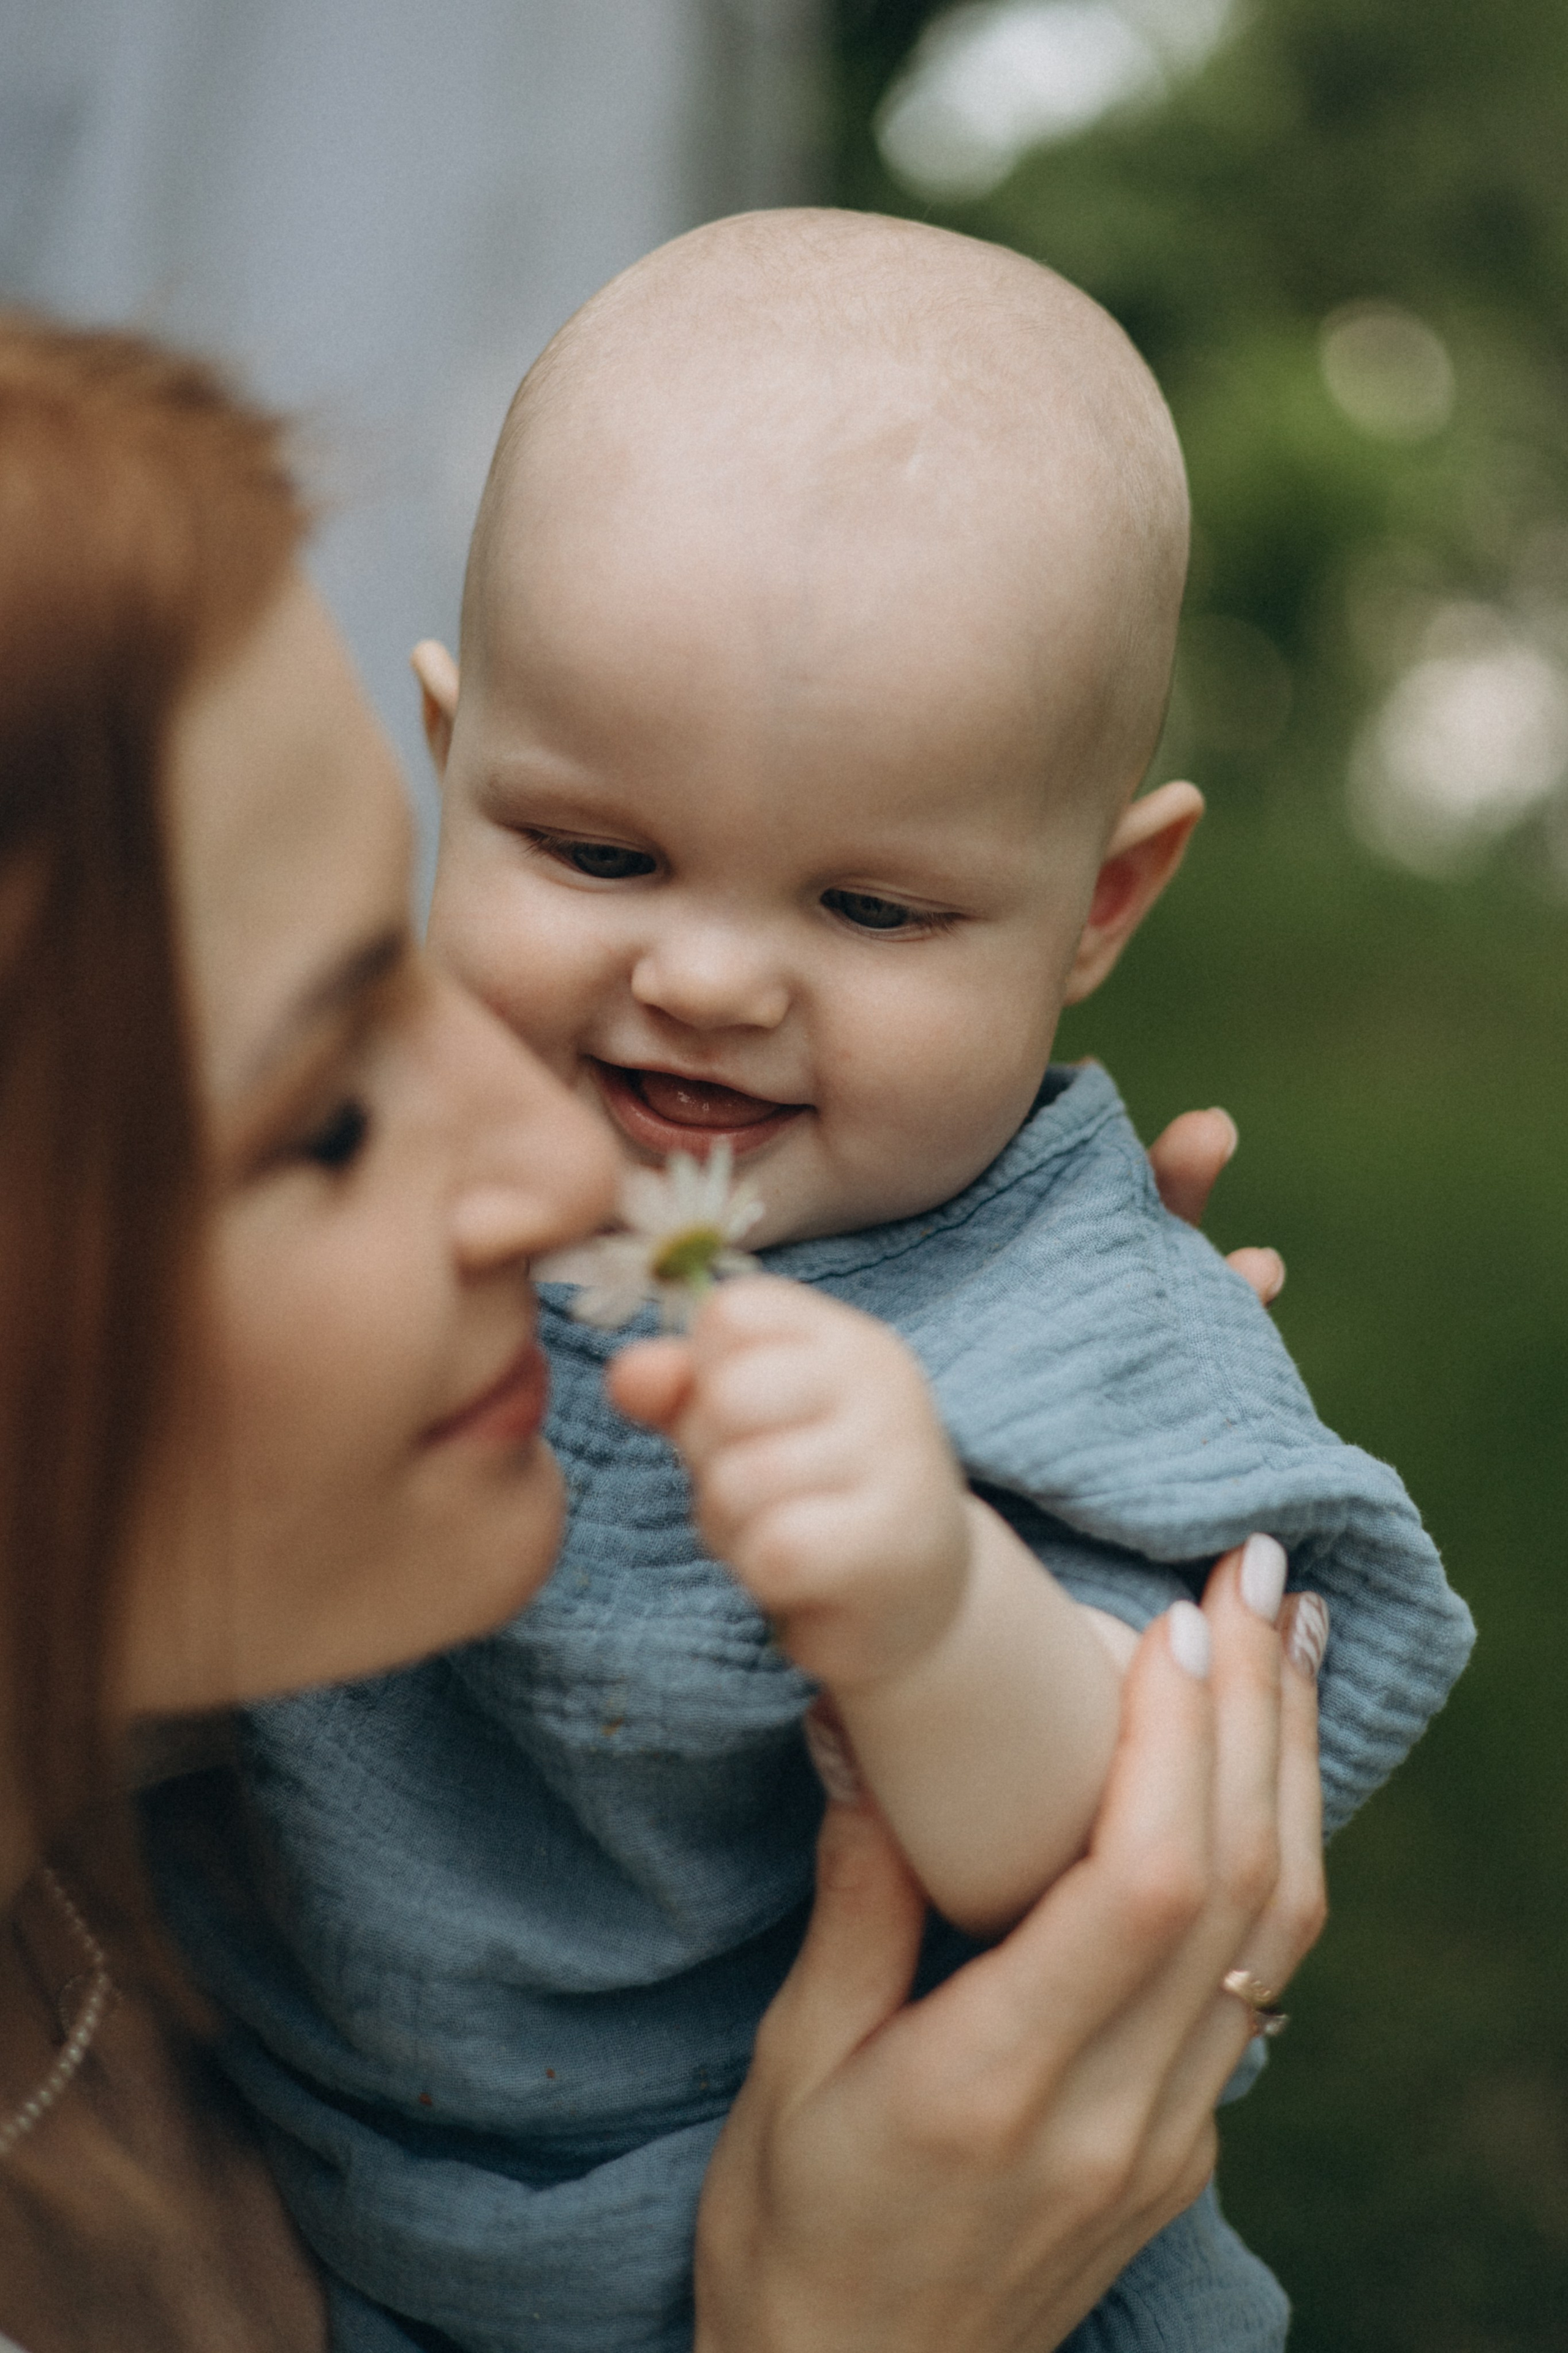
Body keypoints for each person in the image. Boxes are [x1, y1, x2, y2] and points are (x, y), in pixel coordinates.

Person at [148, 214, 1466, 2351]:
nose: (710, 975)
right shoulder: (365, 1174)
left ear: (1100, 903)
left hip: (873, 2230)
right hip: (322, 2196)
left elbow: (1139, 1854)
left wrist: (942, 1612)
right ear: (452, 762)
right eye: (597, 854)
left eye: (868, 903)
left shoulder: (1066, 1314)